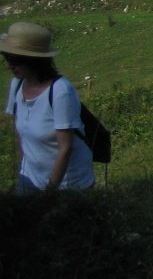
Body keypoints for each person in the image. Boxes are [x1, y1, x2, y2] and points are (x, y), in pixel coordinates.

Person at [2, 22, 94, 194]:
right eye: (7, 57)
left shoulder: (60, 91)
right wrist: (23, 174)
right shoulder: (16, 86)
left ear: (34, 61)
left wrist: (49, 192)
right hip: (29, 179)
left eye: (16, 60)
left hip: (67, 184)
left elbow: (65, 147)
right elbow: (20, 136)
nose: (10, 65)